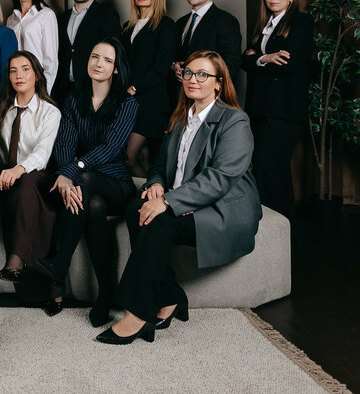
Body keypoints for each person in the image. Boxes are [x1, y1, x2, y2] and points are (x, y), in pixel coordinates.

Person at [98, 51, 261, 344]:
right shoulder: (180, 119)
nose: (193, 79)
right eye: (188, 73)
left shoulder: (235, 120)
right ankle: (170, 295)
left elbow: (221, 178)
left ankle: (138, 312)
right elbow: (160, 164)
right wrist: (156, 185)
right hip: (185, 200)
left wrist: (167, 202)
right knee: (137, 207)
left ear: (219, 83)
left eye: (203, 75)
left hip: (221, 208)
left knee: (160, 222)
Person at [31, 37, 139, 325]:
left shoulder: (127, 103)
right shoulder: (73, 99)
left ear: (116, 68)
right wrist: (68, 176)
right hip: (86, 184)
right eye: (95, 56)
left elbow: (111, 148)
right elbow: (64, 143)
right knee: (92, 206)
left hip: (116, 183)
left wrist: (71, 172)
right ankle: (106, 295)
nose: (99, 64)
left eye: (107, 60)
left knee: (88, 183)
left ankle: (60, 263)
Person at [0, 51, 62, 313]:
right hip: (5, 178)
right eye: (13, 71)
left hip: (38, 176)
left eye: (25, 69)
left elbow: (43, 153)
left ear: (37, 76)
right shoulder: (1, 109)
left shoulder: (50, 112)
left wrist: (19, 170)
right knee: (15, 196)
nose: (19, 75)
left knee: (28, 185)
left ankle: (16, 260)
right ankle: (50, 292)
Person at [242, 0, 314, 218]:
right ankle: (267, 225)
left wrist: (257, 59)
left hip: (284, 109)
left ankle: (282, 224)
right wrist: (266, 58)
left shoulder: (301, 22)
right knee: (261, 167)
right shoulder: (264, 25)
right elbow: (244, 60)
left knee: (272, 166)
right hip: (260, 107)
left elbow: (289, 64)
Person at [121, 0, 177, 177]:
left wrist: (134, 87)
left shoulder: (166, 25)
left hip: (152, 102)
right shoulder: (128, 27)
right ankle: (145, 194)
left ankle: (151, 192)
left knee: (130, 156)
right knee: (142, 157)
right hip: (129, 102)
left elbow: (161, 67)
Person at [52, 0, 121, 104]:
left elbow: (114, 50)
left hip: (92, 88)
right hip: (63, 89)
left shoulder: (106, 14)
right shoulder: (61, 19)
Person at [172, 0, 242, 92]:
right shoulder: (181, 22)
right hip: (182, 92)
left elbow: (231, 62)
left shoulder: (225, 21)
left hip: (210, 93)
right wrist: (174, 66)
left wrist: (213, 88)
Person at [6, 0, 59, 92]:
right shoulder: (11, 20)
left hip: (37, 81)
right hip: (15, 81)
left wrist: (45, 91)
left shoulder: (46, 15)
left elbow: (51, 59)